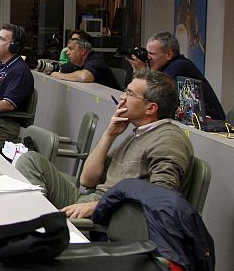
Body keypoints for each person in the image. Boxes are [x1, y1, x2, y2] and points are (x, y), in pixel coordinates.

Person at [16, 69, 194, 219]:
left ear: (151, 108)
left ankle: (34, 225)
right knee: (30, 160)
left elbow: (159, 197)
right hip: (94, 200)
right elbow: (88, 179)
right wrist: (110, 134)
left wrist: (96, 206)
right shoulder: (138, 133)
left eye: (130, 94)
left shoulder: (169, 140)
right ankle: (34, 221)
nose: (122, 97)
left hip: (114, 216)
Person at [126, 31, 225, 120]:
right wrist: (136, 69)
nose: (148, 58)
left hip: (211, 123)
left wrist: (141, 70)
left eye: (152, 54)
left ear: (169, 54)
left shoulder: (180, 66)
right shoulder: (164, 67)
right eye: (147, 53)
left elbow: (153, 94)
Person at [51, 37, 120, 89]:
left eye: (71, 49)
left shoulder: (96, 60)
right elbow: (61, 69)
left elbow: (84, 77)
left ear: (82, 51)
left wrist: (59, 75)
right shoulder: (76, 62)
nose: (67, 52)